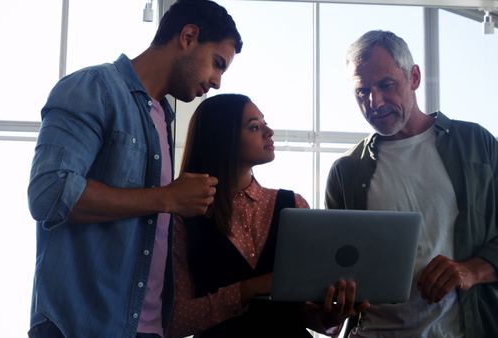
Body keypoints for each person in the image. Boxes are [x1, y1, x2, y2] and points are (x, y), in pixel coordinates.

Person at [26, 1, 243, 337]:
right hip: (82, 328)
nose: (216, 82)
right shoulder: (93, 89)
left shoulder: (162, 119)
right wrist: (166, 199)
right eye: (217, 64)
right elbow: (49, 193)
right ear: (188, 36)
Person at [325, 30, 498, 337]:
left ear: (414, 77)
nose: (374, 102)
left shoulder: (477, 145)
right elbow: (338, 268)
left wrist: (471, 270)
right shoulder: (345, 172)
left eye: (385, 85)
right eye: (361, 92)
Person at [168, 94, 369, 338]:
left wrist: (331, 316)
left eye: (265, 123)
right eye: (254, 127)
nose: (269, 131)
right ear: (222, 139)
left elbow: (306, 314)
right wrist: (249, 289)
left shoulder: (293, 205)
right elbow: (175, 321)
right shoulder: (184, 217)